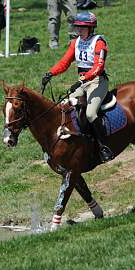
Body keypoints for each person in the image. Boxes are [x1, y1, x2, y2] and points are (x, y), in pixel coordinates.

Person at [41, 12, 114, 163]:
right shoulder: (76, 42)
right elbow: (64, 63)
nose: (79, 30)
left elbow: (98, 67)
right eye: (78, 27)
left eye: (82, 28)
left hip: (97, 82)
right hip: (83, 82)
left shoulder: (99, 42)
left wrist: (84, 79)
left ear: (90, 28)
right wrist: (51, 73)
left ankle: (104, 146)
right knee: (63, 108)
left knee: (90, 114)